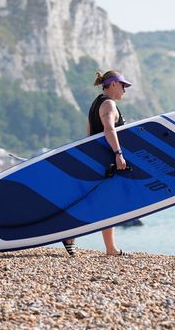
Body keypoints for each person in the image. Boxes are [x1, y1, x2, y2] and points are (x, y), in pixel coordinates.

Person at [63, 70, 132, 257]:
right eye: (123, 85)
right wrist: (118, 153)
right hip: (106, 161)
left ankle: (71, 234)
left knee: (98, 201)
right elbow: (109, 128)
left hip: (96, 159)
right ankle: (109, 248)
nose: (125, 90)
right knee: (108, 203)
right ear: (113, 84)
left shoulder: (96, 103)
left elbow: (88, 133)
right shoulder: (109, 104)